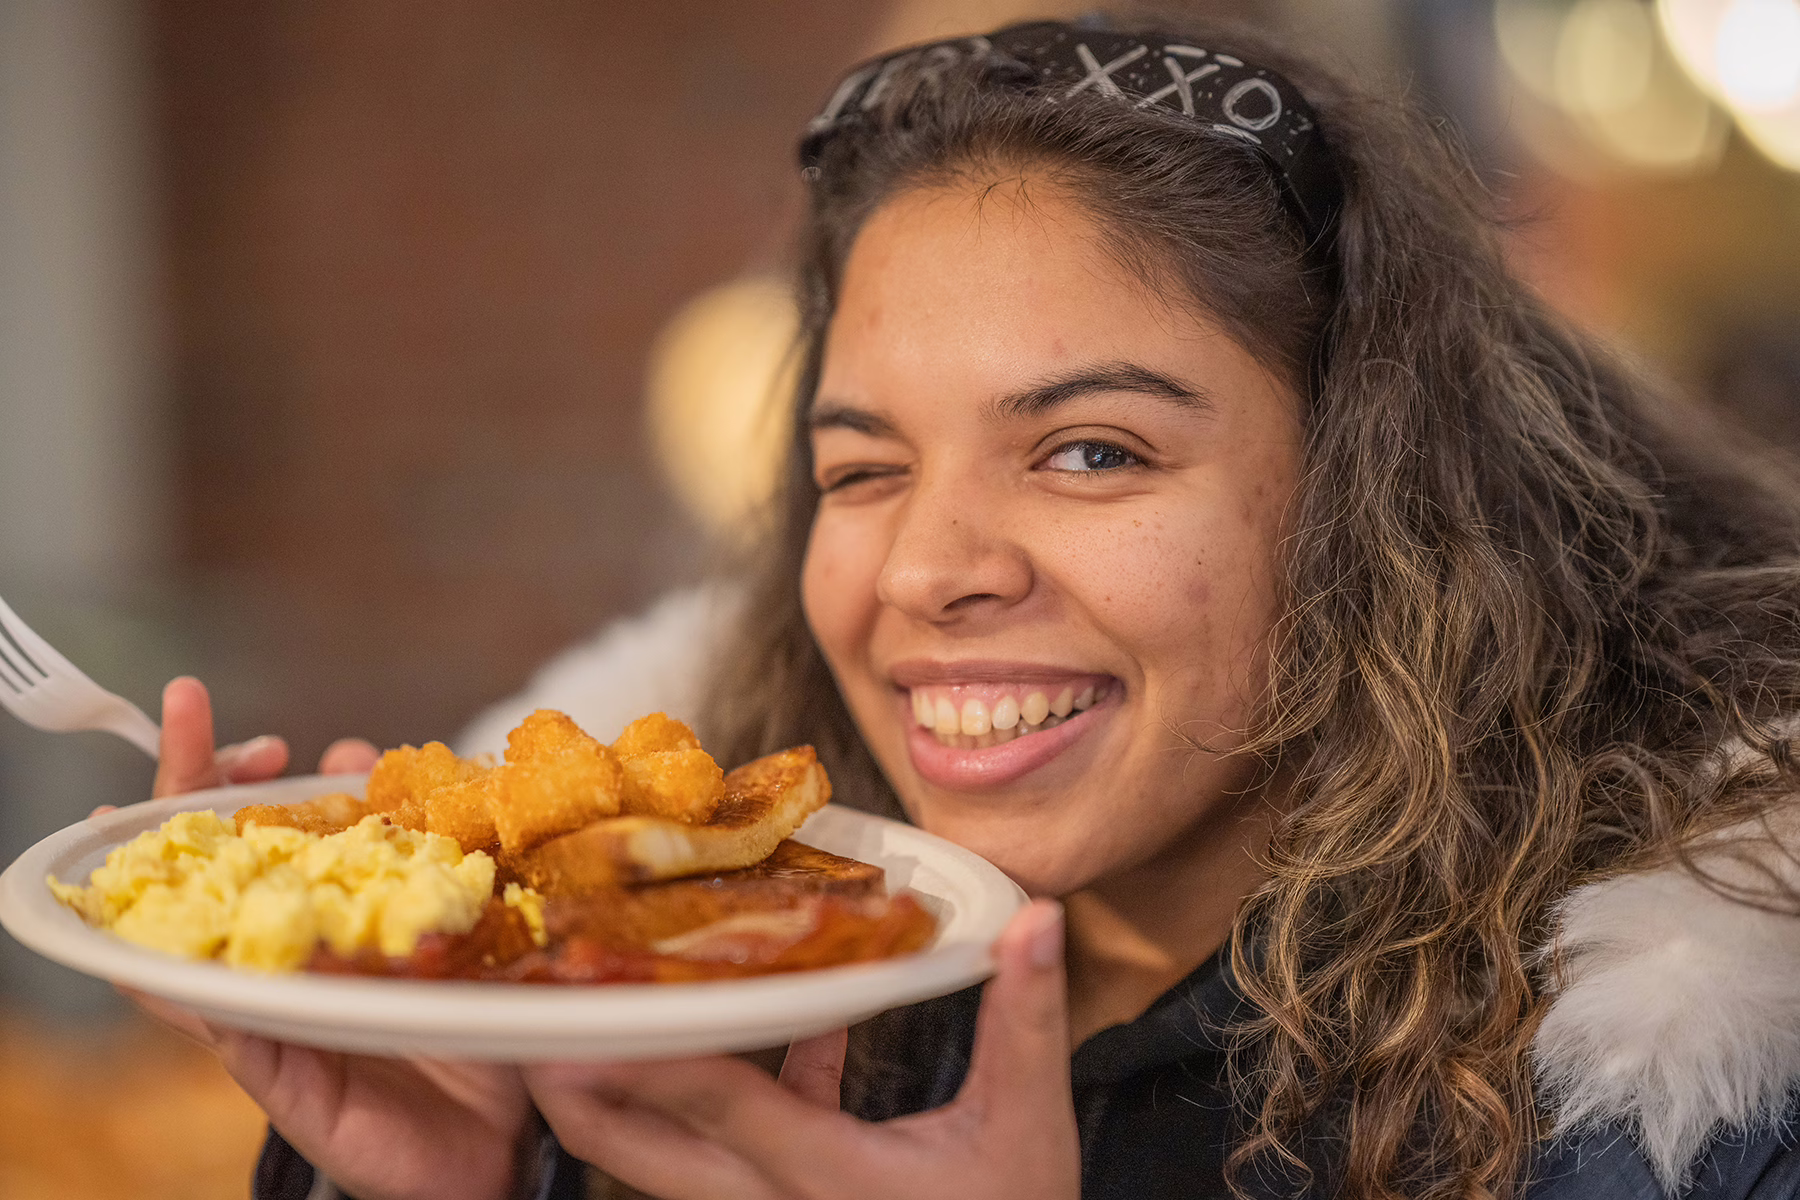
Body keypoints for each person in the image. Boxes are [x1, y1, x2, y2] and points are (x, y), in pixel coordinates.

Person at [139, 16, 1800, 1200]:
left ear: (1381, 495)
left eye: (1087, 450)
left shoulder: (1679, 1104)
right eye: (861, 470)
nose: (931, 569)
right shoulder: (694, 982)